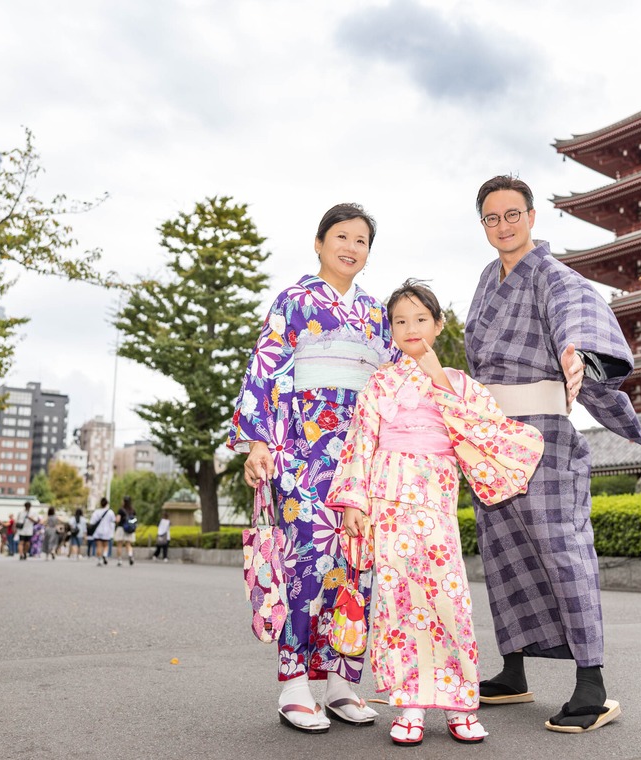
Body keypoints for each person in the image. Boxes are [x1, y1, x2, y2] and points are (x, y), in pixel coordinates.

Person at [326, 280, 544, 746]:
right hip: (388, 499)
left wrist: (436, 376)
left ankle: (459, 702)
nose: (410, 328)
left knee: (449, 599)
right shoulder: (381, 383)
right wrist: (355, 504)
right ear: (390, 329)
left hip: (436, 500)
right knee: (397, 602)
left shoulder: (460, 383)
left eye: (420, 319)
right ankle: (410, 705)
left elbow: (484, 429)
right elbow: (361, 442)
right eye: (400, 321)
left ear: (439, 324)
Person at [465, 175, 641, 733]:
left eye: (512, 214)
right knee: (504, 550)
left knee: (562, 548)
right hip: (490, 436)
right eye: (491, 218)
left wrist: (575, 351)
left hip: (542, 433)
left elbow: (576, 313)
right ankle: (513, 669)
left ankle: (592, 682)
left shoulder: (556, 275)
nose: (503, 226)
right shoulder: (484, 280)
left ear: (532, 216)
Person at [229, 203, 395, 733]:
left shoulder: (376, 313)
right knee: (307, 560)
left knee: (356, 563)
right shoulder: (294, 302)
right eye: (341, 236)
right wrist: (258, 443)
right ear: (320, 243)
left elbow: (392, 382)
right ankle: (294, 682)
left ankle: (343, 681)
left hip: (360, 455)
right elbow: (266, 367)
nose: (351, 247)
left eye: (362, 240)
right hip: (303, 451)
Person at [88, 498, 115, 566]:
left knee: (99, 546)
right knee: (106, 545)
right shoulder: (110, 512)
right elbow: (113, 521)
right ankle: (105, 555)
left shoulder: (96, 512)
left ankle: (99, 560)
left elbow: (92, 522)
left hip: (98, 531)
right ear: (107, 504)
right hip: (106, 532)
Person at [113, 496, 137, 566]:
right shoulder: (133, 510)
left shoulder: (121, 510)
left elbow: (117, 520)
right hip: (129, 529)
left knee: (119, 545)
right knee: (128, 544)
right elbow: (135, 520)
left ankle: (120, 560)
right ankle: (130, 555)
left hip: (121, 528)